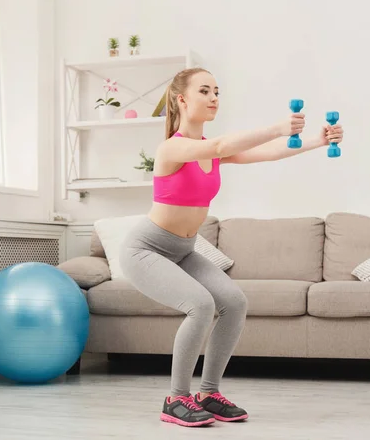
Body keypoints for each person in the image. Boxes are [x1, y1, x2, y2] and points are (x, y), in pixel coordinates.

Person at [119, 67, 344, 428]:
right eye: (204, 91)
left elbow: (267, 154)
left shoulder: (210, 151)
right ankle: (176, 399)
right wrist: (278, 126)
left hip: (183, 249)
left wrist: (319, 140)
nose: (213, 98)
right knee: (200, 304)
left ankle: (208, 393)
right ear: (181, 99)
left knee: (234, 302)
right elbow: (222, 145)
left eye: (217, 92)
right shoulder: (174, 147)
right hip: (146, 249)